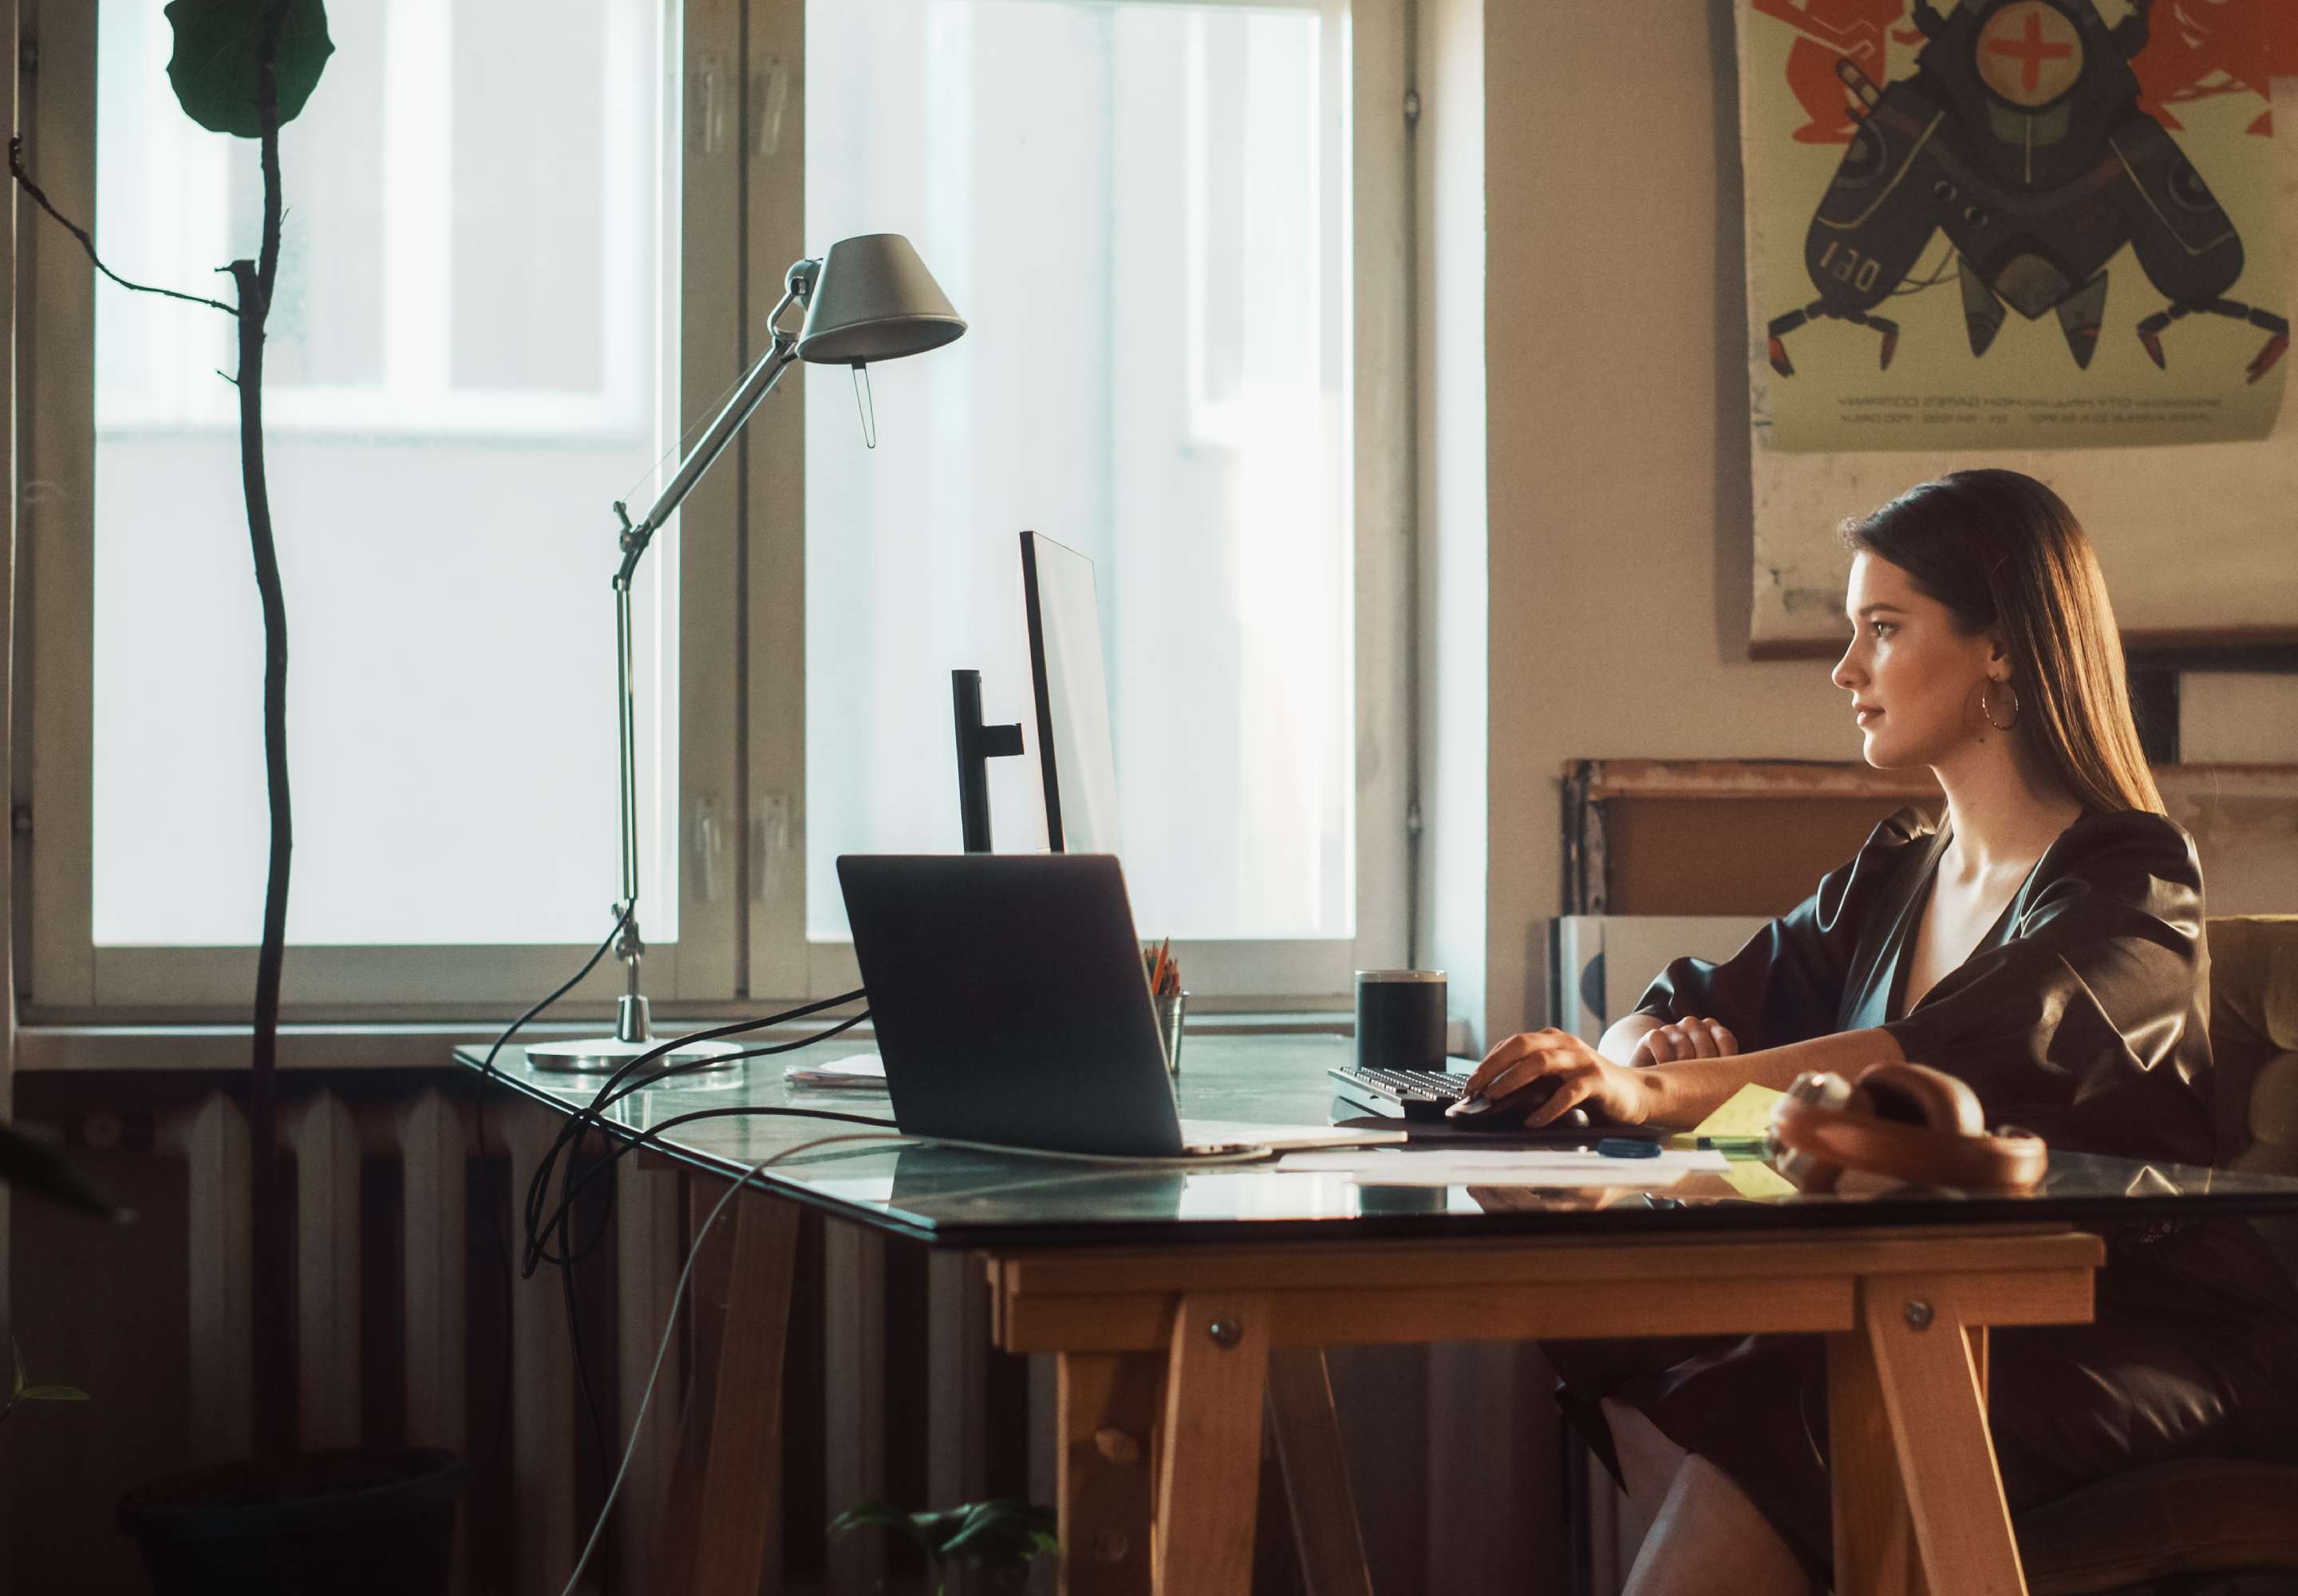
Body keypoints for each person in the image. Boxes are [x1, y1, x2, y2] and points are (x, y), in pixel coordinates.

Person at [1451, 469, 2298, 1596]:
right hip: (1919, 1299)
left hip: (2136, 1327)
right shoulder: (1898, 869)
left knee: (1795, 1397)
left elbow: (1972, 1044)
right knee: (1617, 1322)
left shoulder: (2134, 875)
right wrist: (1632, 1053)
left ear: (2002, 649)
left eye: (1884, 629)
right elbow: (1690, 993)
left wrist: (1654, 1099)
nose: (1846, 670)